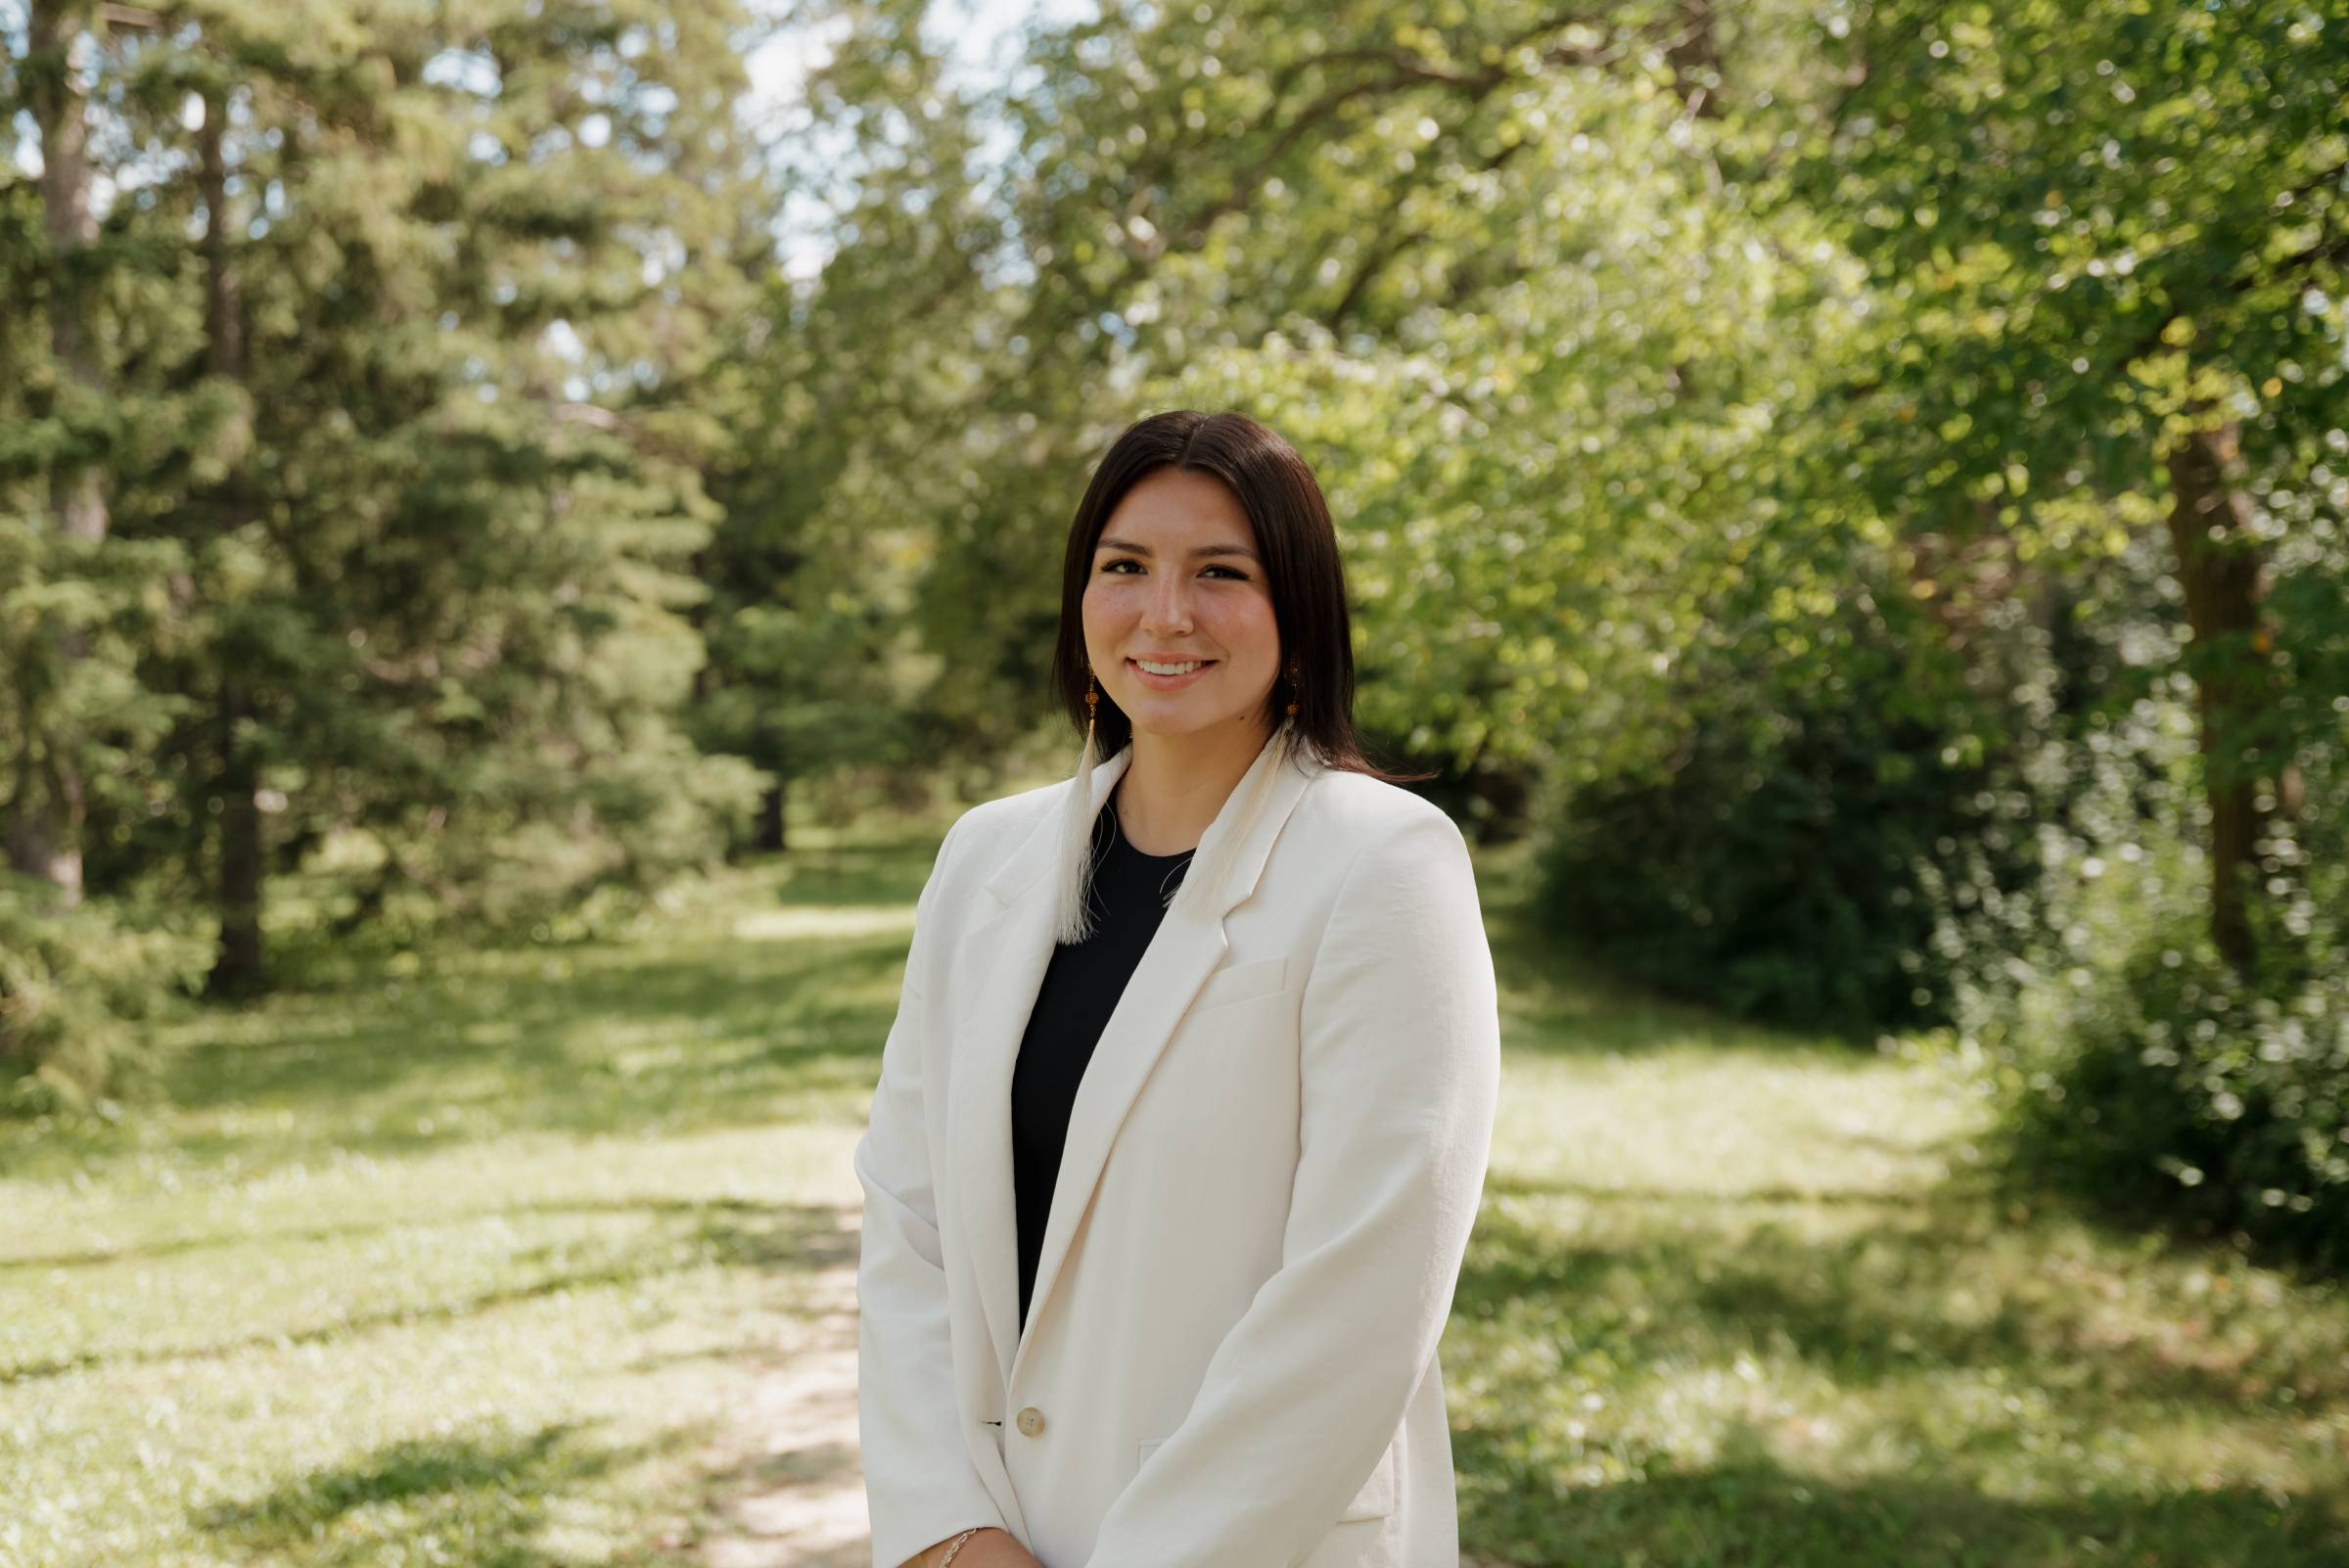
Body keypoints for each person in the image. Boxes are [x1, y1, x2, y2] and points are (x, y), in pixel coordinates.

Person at [853, 409, 1500, 1568]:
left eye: (1220, 574)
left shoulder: (1385, 863)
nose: (1166, 614)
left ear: (1296, 613)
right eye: (1125, 568)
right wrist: (952, 1531)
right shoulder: (983, 861)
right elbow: (909, 1221)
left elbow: (1364, 1294)